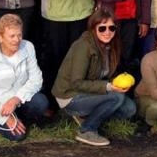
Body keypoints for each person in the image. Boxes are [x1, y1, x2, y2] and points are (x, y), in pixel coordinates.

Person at [52, 8, 137, 146]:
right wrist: (108, 87)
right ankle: (87, 130)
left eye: (111, 28)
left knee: (129, 109)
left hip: (90, 91)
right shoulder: (83, 46)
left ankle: (87, 116)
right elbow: (76, 83)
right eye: (102, 28)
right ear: (93, 28)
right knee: (117, 98)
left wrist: (116, 84)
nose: (107, 32)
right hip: (71, 95)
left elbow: (104, 75)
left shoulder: (111, 46)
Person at [0, 14, 48, 141]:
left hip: (18, 101)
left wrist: (16, 99)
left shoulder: (28, 47)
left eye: (19, 35)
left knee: (41, 102)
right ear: (0, 37)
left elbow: (36, 79)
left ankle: (18, 120)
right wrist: (5, 118)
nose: (17, 40)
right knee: (19, 136)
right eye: (12, 36)